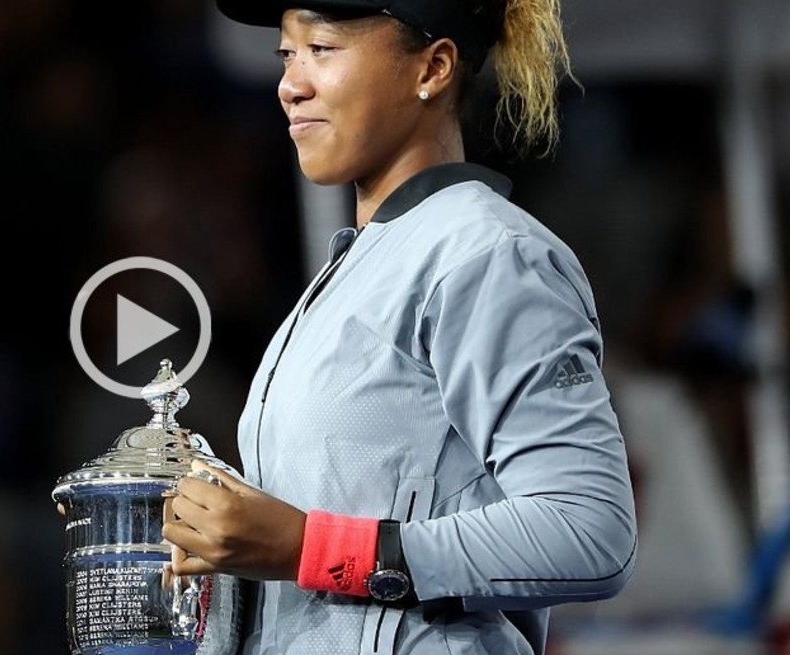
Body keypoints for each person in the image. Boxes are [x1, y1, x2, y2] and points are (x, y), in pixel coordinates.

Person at [159, 0, 639, 653]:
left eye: (322, 50)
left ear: (433, 68)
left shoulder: (488, 254)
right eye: (287, 55)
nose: (290, 85)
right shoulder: (357, 268)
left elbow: (590, 531)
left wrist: (312, 547)